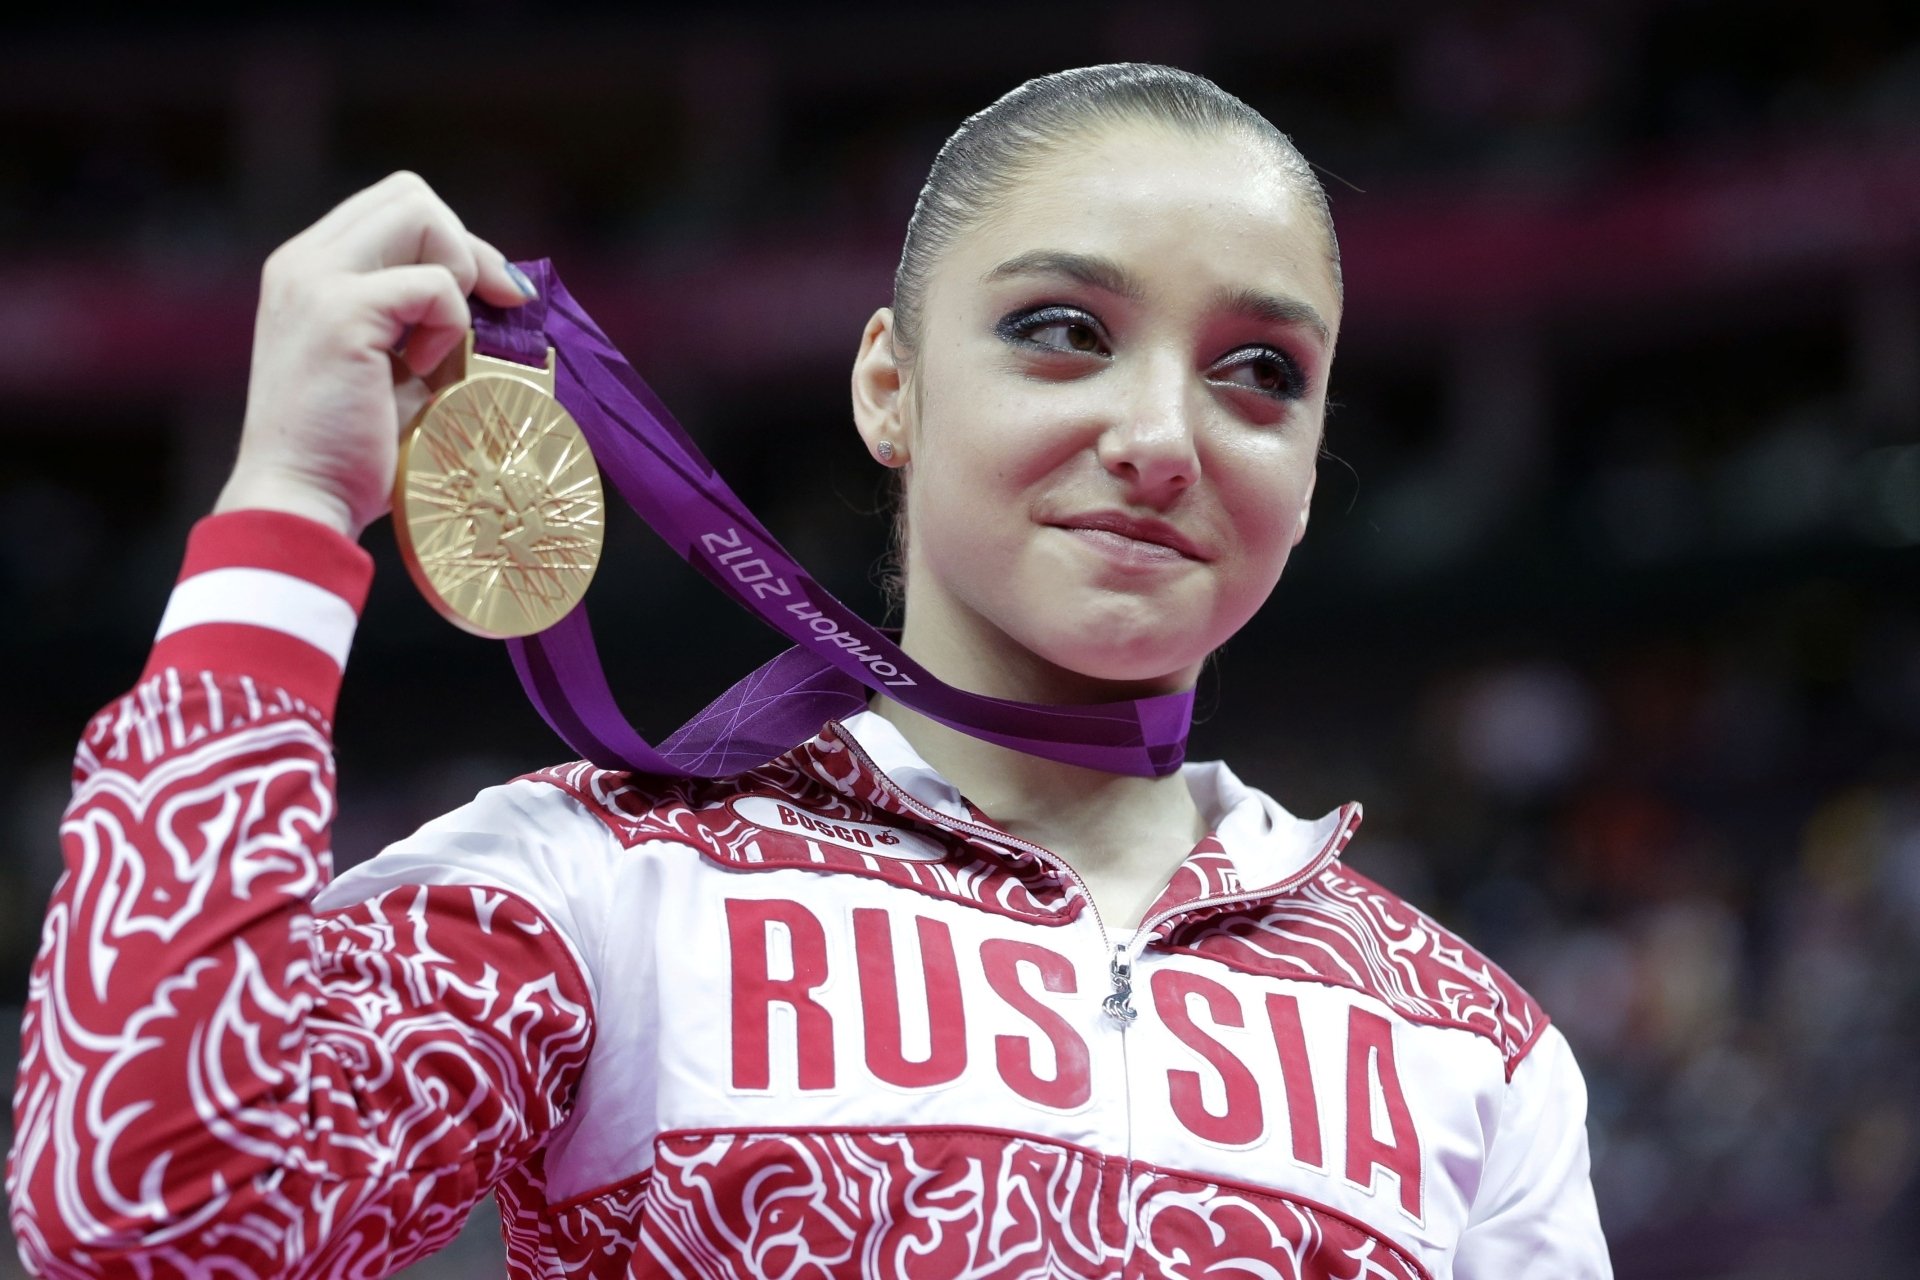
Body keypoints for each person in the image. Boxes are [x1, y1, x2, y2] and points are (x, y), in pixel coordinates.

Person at [6, 64, 1611, 1279]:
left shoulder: (1470, 1045)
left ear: (1317, 466)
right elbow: (142, 1210)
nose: (1156, 440)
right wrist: (287, 506)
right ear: (890, 389)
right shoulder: (606, 887)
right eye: (1062, 330)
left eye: (1261, 375)